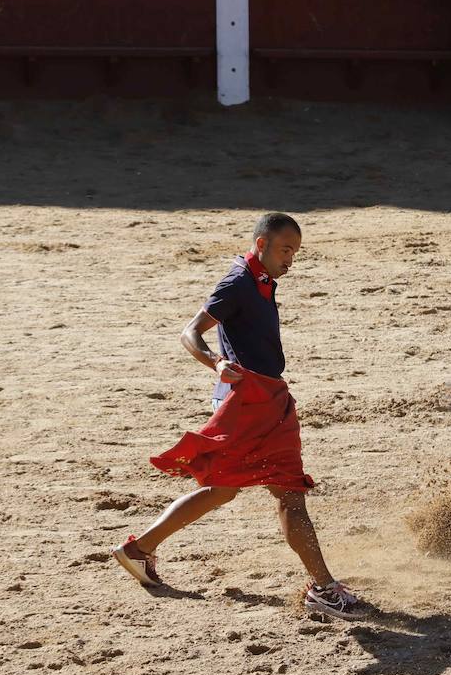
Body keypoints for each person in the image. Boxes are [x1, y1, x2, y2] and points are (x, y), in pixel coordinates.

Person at [112, 213, 364, 620]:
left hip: (265, 400)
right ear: (261, 245)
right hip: (249, 404)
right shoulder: (238, 283)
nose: (290, 260)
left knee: (224, 490)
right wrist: (214, 363)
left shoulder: (261, 280)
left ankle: (138, 549)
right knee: (287, 492)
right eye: (285, 250)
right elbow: (190, 332)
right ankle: (323, 588)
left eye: (295, 252)